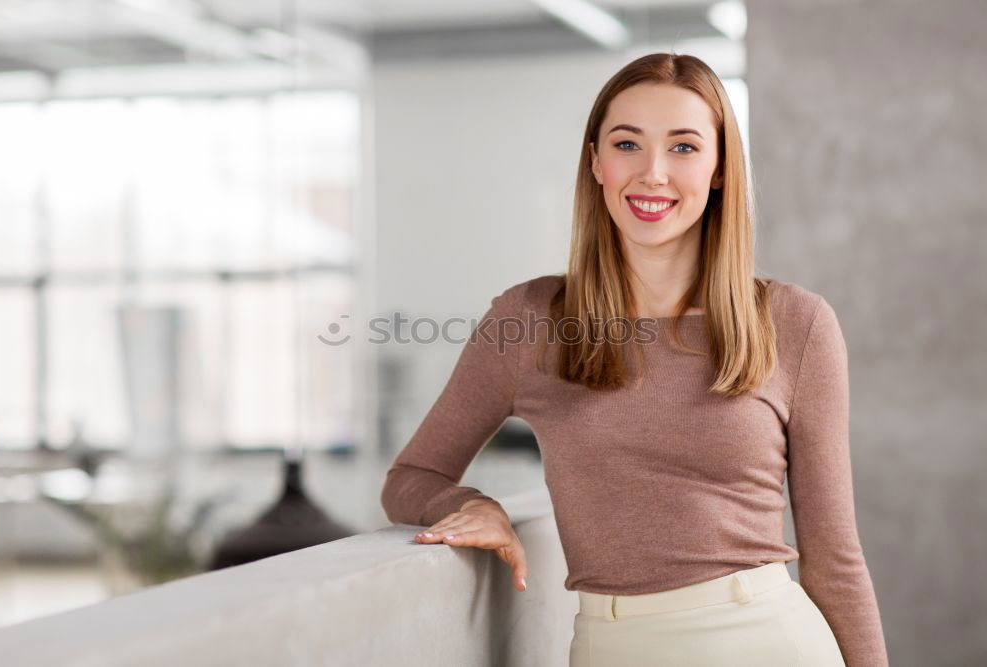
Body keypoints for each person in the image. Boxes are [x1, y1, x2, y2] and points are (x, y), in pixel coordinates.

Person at [380, 52, 889, 667]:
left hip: (769, 641)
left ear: (720, 166)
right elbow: (411, 478)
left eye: (683, 147)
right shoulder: (528, 320)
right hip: (609, 644)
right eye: (627, 144)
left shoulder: (796, 323)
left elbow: (834, 559)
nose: (652, 173)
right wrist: (471, 506)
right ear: (596, 161)